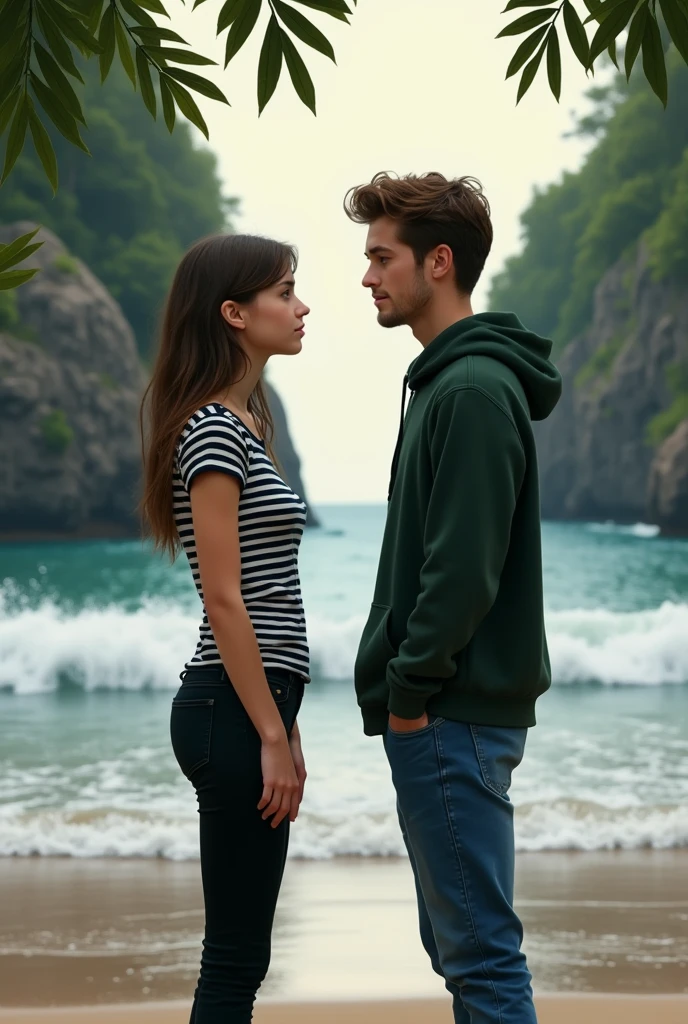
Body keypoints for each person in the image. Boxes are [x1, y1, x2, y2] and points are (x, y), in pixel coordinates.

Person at [344, 172, 562, 1023]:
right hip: (452, 712)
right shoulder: (449, 382)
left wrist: (409, 694)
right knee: (464, 949)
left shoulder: (470, 390)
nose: (367, 277)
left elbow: (462, 571)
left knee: (480, 957)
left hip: (449, 711)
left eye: (381, 257)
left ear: (439, 263)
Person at [139, 234, 311, 1024]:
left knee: (244, 952)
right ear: (235, 313)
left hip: (251, 705)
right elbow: (225, 597)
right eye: (284, 291)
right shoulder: (214, 429)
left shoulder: (247, 422)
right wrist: (271, 733)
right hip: (232, 710)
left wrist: (286, 725)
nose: (301, 305)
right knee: (235, 957)